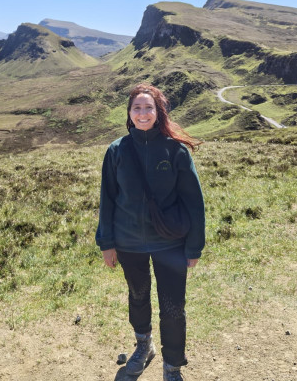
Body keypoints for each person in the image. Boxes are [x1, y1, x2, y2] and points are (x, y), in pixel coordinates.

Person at [96, 84, 205, 381]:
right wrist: (106, 243)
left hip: (170, 243)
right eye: (137, 108)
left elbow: (194, 202)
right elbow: (108, 199)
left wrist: (194, 247)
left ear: (159, 113)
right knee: (138, 296)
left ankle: (172, 366)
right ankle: (144, 346)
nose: (142, 113)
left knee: (173, 307)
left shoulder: (175, 151)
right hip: (128, 242)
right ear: (129, 113)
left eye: (148, 108)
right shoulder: (116, 150)